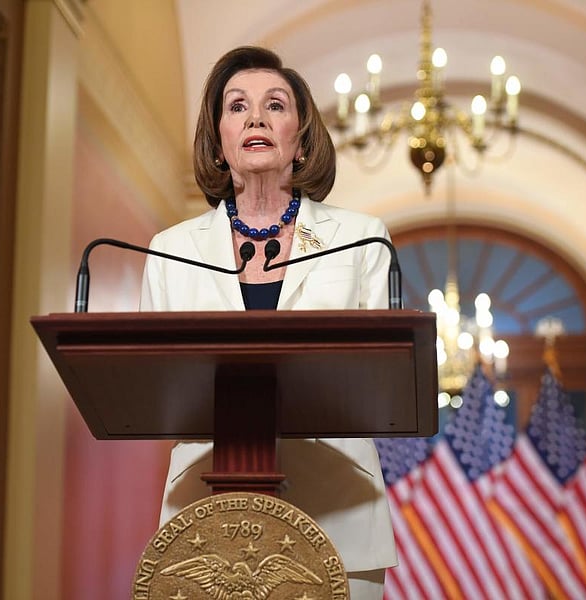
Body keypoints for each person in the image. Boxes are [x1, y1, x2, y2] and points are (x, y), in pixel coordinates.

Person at [139, 46, 396, 598]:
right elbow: (156, 386)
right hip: (204, 519)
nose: (255, 118)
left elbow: (380, 380)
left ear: (301, 139)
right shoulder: (169, 249)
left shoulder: (362, 240)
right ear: (219, 140)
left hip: (340, 514)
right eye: (237, 107)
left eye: (274, 105)